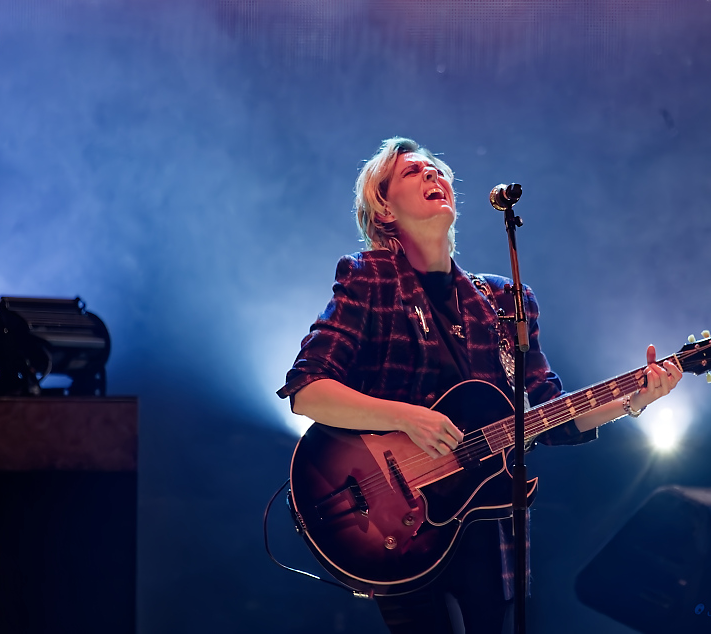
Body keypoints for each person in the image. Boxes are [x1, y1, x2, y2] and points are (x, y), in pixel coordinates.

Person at [277, 137, 682, 634]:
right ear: (383, 207)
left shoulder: (506, 301)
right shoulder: (370, 277)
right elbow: (308, 389)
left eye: (436, 170)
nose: (432, 176)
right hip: (398, 524)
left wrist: (632, 400)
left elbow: (546, 414)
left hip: (490, 528)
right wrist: (405, 418)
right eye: (412, 173)